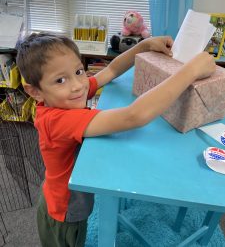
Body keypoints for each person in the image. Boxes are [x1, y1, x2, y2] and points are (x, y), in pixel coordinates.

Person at [16, 32, 216, 247]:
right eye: (60, 80)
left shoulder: (66, 96)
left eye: (78, 71)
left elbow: (109, 71)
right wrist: (192, 70)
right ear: (35, 91)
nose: (78, 85)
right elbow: (134, 116)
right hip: (65, 209)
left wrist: (145, 45)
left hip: (58, 194)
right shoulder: (58, 119)